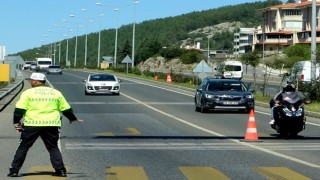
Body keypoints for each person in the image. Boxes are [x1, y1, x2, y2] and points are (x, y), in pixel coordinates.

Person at [7, 72, 83, 177]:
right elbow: (66, 109)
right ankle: (60, 171)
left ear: (35, 81)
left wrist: (16, 123)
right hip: (51, 124)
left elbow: (19, 110)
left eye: (31, 80)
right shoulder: (56, 93)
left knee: (23, 147)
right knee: (52, 147)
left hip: (32, 124)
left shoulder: (28, 93)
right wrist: (72, 118)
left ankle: (14, 171)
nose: (30, 82)